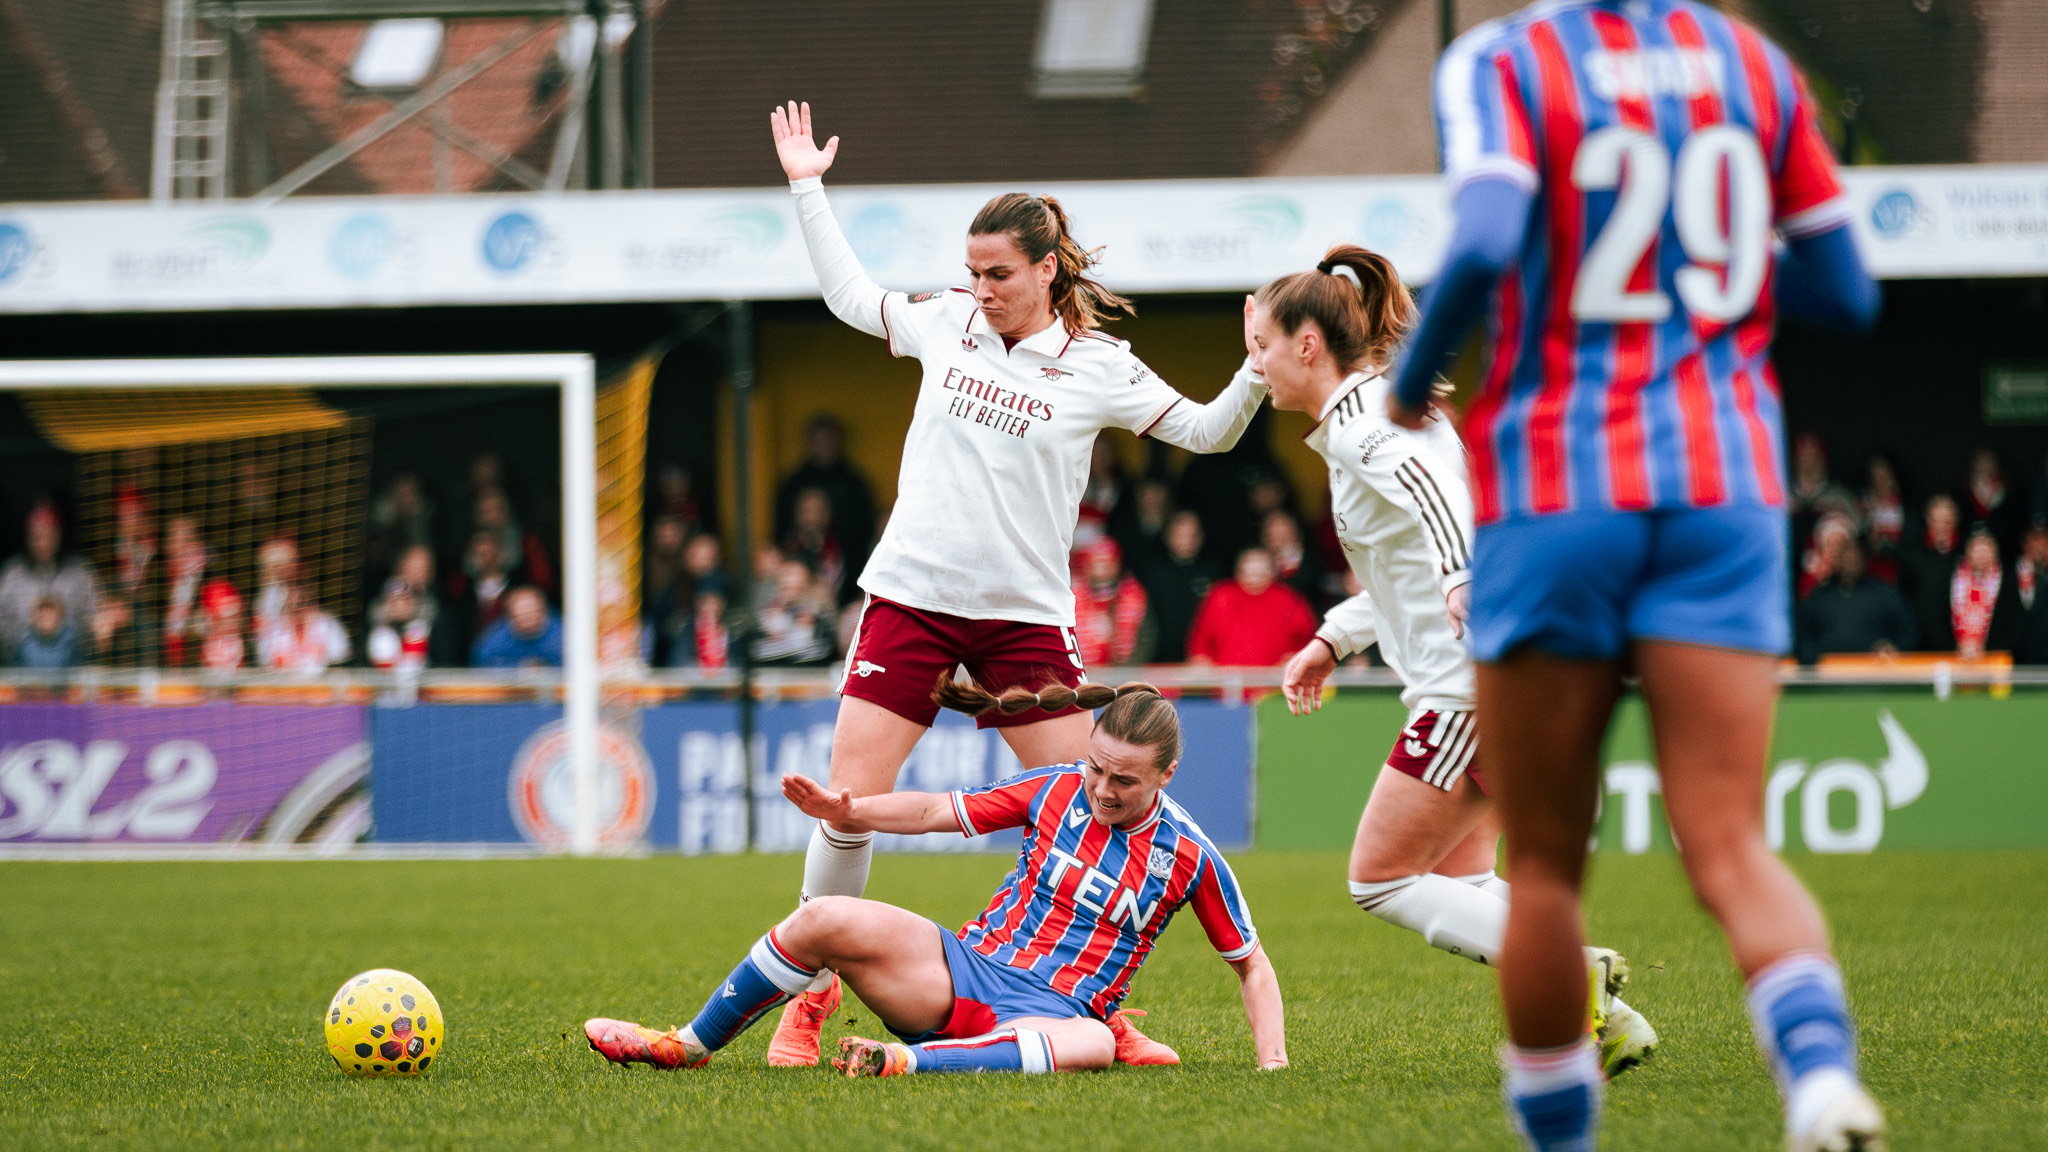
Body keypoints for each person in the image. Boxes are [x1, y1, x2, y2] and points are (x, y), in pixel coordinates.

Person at [1391, 3, 1884, 1148]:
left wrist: (1414, 380)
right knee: (1727, 843)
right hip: (1724, 492)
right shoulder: (1750, 62)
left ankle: (1560, 1135)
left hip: (1559, 490)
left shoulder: (1502, 60)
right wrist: (1706, 296)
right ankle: (1816, 1080)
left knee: (1548, 869)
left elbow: (1479, 238)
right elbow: (1849, 292)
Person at [764, 100, 1271, 1066]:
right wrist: (807, 186)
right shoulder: (946, 324)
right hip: (910, 599)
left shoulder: (1100, 367)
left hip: (1022, 624)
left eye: (999, 274)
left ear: (1046, 269)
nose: (980, 289)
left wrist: (1250, 371)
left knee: (1094, 802)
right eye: (972, 272)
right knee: (847, 801)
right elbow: (848, 296)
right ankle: (809, 993)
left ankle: (1099, 1010)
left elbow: (1210, 431)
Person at [1253, 246, 1654, 1079]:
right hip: (1485, 680)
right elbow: (1406, 573)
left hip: (1466, 691)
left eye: (1259, 345)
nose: (1252, 364)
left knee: (1378, 880)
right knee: (1459, 881)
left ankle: (1570, 970)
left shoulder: (1369, 428)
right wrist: (1335, 638)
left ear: (1305, 347)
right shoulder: (1374, 417)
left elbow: (1437, 498)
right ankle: (1608, 1018)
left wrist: (1466, 575)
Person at [583, 682, 1286, 1076]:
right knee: (823, 916)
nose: (1100, 788)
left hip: (1059, 1015)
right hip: (960, 975)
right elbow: (928, 811)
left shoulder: (1190, 855)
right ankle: (689, 1045)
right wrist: (847, 809)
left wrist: (1273, 1064)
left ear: (1167, 775)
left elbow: (1251, 965)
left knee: (1094, 1046)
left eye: (1123, 780)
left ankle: (903, 1062)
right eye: (1095, 767)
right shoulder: (1054, 788)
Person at [0, 504, 102, 665]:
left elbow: (94, 617)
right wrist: (26, 635)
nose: (44, 543)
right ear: (28, 537)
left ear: (59, 535)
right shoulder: (13, 574)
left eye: (49, 536)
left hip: (70, 665)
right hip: (22, 668)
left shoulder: (79, 572)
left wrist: (64, 631)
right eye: (38, 537)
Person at [1185, 548, 1316, 667]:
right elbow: (1200, 644)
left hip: (1275, 686)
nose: (1254, 577)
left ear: (1273, 572)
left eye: (1261, 571)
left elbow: (1308, 641)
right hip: (1227, 686)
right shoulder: (1220, 596)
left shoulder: (1288, 598)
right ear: (1238, 570)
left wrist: (1294, 661)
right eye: (1249, 570)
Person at [1795, 539, 1914, 664]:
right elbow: (1801, 631)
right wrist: (1810, 655)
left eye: (1854, 559)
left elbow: (1907, 629)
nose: (1850, 563)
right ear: (1837, 562)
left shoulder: (1884, 593)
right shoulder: (1819, 596)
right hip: (1827, 673)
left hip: (1874, 673)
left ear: (1864, 561)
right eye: (1845, 559)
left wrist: (1895, 648)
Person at [1134, 510, 1219, 664]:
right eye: (1180, 535)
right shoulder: (1152, 573)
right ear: (1168, 537)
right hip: (1159, 661)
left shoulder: (1213, 572)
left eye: (1192, 535)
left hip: (1201, 663)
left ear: (1201, 537)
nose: (1186, 541)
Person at [1070, 538, 1149, 666]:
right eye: (1096, 563)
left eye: (1107, 563)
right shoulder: (1074, 597)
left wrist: (1128, 670)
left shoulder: (1133, 594)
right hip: (1085, 674)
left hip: (1124, 673)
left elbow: (1146, 637)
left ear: (1117, 564)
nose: (1102, 569)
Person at [1950, 528, 2025, 660]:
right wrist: (1955, 647)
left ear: (1996, 553)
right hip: (1952, 656)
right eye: (1977, 549)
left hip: (1995, 658)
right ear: (1967, 552)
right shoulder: (1950, 577)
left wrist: (1987, 650)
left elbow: (2016, 625)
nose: (1982, 554)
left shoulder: (2009, 582)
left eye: (1987, 549)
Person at [1901, 495, 1963, 651]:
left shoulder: (1965, 553)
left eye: (1947, 521)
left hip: (1958, 639)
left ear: (1955, 521)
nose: (1941, 526)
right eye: (1937, 521)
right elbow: (1904, 596)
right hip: (1920, 639)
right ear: (1928, 520)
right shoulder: (1913, 553)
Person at [257, 583, 350, 672]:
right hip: (283, 685)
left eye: (301, 604)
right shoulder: (274, 631)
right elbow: (266, 664)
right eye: (291, 605)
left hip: (320, 685)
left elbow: (339, 661)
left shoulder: (327, 625)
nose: (297, 610)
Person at [471, 586, 563, 669]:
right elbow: (482, 659)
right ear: (510, 616)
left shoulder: (563, 632)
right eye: (522, 614)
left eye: (532, 612)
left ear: (543, 611)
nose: (527, 618)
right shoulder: (496, 638)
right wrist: (519, 668)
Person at [13, 596, 79, 668]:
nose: (47, 617)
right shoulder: (25, 641)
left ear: (59, 616)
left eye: (51, 614)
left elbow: (79, 671)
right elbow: (15, 670)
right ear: (36, 617)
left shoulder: (70, 640)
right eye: (43, 614)